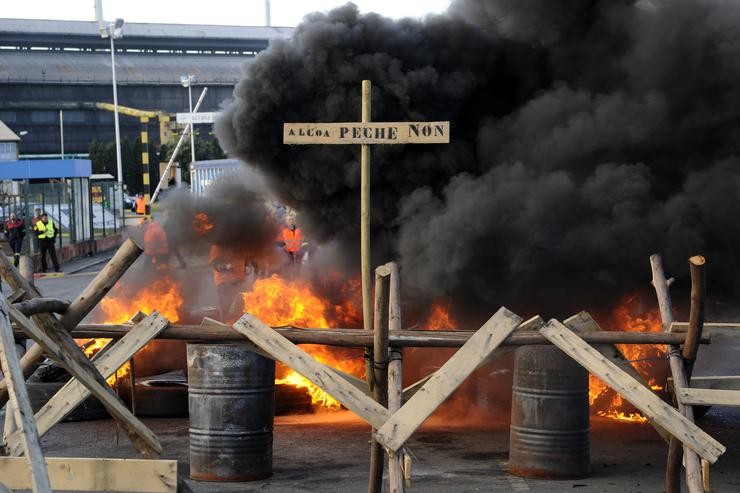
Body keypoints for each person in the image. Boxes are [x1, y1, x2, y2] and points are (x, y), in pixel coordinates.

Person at [209, 244, 246, 321]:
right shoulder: (218, 246)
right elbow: (215, 263)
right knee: (226, 309)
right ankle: (225, 328)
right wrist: (226, 266)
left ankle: (237, 326)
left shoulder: (242, 245)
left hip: (240, 281)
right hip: (225, 283)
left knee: (240, 309)